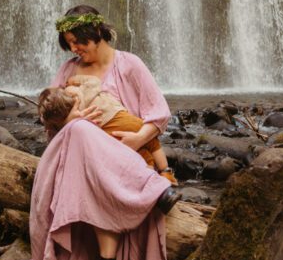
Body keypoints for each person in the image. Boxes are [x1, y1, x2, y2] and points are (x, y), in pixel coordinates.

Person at [14, 4, 181, 260]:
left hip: (125, 160)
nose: (75, 49)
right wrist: (72, 119)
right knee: (78, 130)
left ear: (98, 34)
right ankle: (156, 190)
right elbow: (52, 122)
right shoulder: (68, 71)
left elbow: (158, 115)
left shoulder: (129, 65)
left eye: (80, 42)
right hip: (78, 161)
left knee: (87, 141)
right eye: (70, 44)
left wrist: (135, 139)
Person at [37, 75, 178, 182]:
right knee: (152, 142)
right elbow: (94, 81)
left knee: (136, 154)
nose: (66, 87)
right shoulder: (85, 92)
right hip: (121, 118)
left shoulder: (69, 117)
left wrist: (48, 123)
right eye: (65, 89)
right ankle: (165, 172)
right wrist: (76, 79)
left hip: (107, 131)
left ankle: (149, 178)